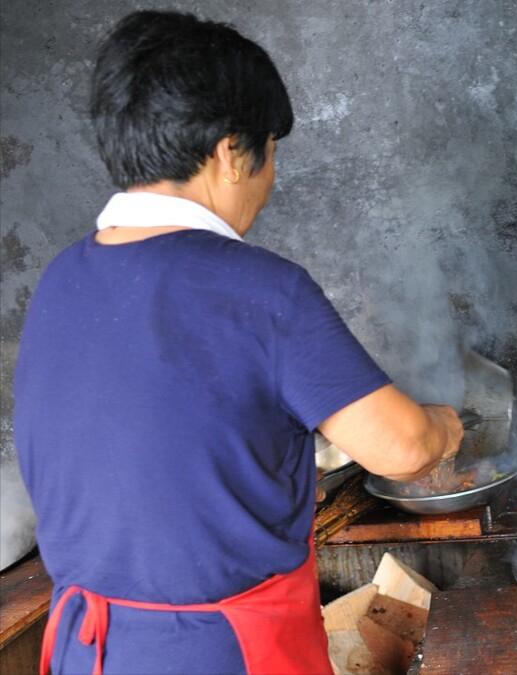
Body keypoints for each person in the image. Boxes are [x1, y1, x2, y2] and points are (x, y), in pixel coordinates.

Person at [13, 10, 463, 674]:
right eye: (270, 151)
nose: (269, 179)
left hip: (90, 650)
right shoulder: (260, 289)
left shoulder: (61, 281)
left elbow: (148, 448)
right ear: (230, 153)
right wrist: (445, 427)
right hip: (223, 651)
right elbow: (403, 449)